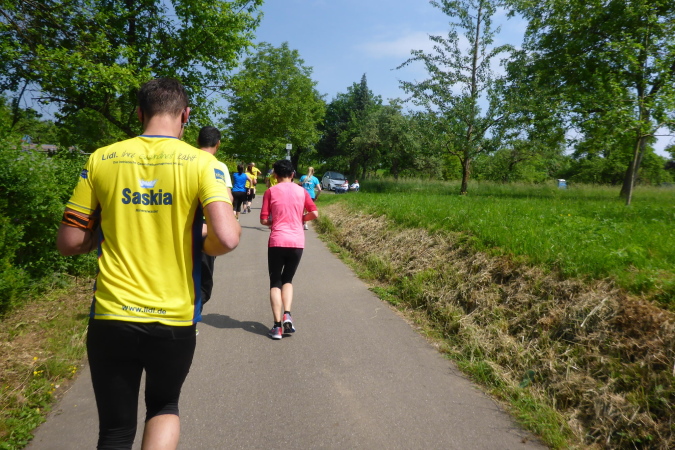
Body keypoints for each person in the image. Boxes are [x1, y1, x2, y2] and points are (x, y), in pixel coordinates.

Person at [56, 78, 240, 449]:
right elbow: (226, 238)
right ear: (185, 116)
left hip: (112, 314)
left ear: (139, 113)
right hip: (174, 317)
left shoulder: (101, 158)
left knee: (115, 431)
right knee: (164, 405)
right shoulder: (203, 164)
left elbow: (70, 241)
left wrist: (98, 236)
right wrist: (197, 242)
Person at [260, 159, 318, 340]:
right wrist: (300, 219)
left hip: (277, 241)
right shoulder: (302, 191)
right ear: (293, 174)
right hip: (297, 242)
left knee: (275, 282)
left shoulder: (270, 191)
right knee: (288, 280)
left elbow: (263, 219)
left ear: (275, 175)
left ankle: (277, 327)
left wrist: (274, 221)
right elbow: (314, 213)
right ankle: (287, 314)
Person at [197, 126, 233, 314]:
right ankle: (193, 316)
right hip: (206, 227)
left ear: (197, 141)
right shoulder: (218, 166)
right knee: (203, 277)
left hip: (181, 225)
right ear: (218, 144)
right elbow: (227, 198)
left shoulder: (185, 161)